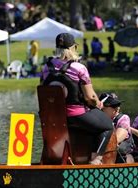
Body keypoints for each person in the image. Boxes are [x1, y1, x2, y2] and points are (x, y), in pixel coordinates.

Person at [40, 33, 113, 165]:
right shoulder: (79, 68)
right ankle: (96, 159)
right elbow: (89, 97)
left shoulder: (46, 67)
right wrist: (98, 104)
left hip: (52, 117)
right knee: (108, 125)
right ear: (73, 48)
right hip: (75, 115)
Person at [100, 92, 134, 163]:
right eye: (114, 105)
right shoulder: (96, 120)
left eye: (118, 104)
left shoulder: (124, 118)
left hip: (123, 156)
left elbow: (117, 140)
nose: (117, 108)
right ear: (102, 108)